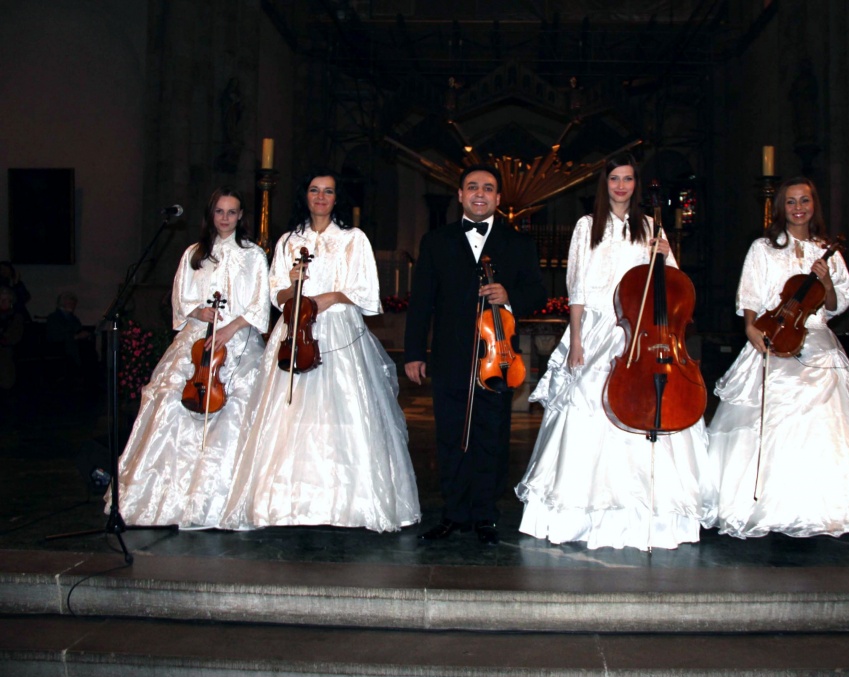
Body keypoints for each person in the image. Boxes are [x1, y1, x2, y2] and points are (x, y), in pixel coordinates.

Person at [515, 153, 712, 550]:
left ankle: (653, 519)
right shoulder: (586, 226)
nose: (621, 186)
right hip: (597, 327)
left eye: (628, 179)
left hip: (642, 331)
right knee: (588, 409)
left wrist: (663, 255)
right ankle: (581, 517)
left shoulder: (651, 226)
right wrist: (576, 341)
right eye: (614, 179)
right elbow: (577, 289)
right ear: (604, 184)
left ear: (636, 185)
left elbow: (674, 285)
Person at [221, 169, 419, 533]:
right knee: (289, 412)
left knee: (342, 410)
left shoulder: (353, 238)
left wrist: (328, 298)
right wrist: (292, 287)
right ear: (306, 195)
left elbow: (364, 290)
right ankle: (286, 504)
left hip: (338, 328)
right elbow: (276, 293)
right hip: (296, 329)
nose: (321, 197)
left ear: (337, 198)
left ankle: (347, 503)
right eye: (315, 190)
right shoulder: (288, 241)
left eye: (328, 191)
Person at [708, 177, 849, 540]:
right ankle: (763, 507)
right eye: (792, 201)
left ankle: (826, 510)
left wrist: (826, 282)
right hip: (772, 334)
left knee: (828, 424)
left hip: (816, 339)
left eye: (805, 201)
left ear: (814, 206)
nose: (799, 208)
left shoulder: (827, 250)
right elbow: (749, 293)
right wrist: (750, 328)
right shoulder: (763, 248)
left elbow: (837, 304)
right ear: (782, 207)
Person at [405, 164, 547, 545]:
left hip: (497, 357)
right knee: (451, 435)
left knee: (491, 436)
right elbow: (422, 302)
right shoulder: (436, 241)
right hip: (450, 355)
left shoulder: (518, 244)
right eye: (472, 187)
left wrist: (510, 296)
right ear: (460, 195)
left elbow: (538, 292)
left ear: (498, 198)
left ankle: (485, 514)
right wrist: (415, 352)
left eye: (487, 188)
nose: (479, 194)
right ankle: (453, 512)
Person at [113, 187, 270, 528]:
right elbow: (179, 299)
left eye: (232, 212)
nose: (225, 218)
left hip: (237, 339)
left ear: (241, 216)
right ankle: (170, 499)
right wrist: (199, 312)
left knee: (238, 407)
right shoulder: (194, 254)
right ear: (210, 214)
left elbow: (260, 304)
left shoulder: (253, 255)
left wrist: (229, 330)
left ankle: (223, 501)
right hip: (197, 337)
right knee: (172, 400)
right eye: (219, 211)